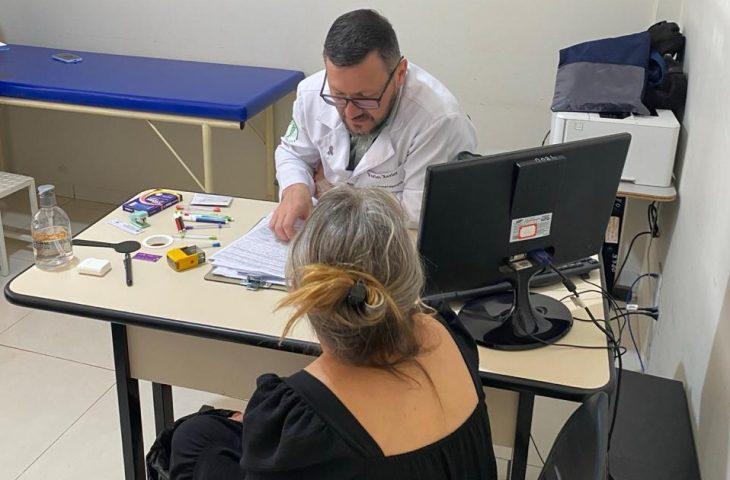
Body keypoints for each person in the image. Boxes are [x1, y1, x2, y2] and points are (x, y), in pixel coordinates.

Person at [170, 186, 497, 479]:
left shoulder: (302, 417)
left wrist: (264, 429)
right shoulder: (445, 330)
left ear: (304, 291)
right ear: (410, 274)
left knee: (194, 439)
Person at [270, 9, 477, 240]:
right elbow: (292, 152)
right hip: (331, 235)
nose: (350, 112)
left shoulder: (436, 119)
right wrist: (296, 186)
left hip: (395, 245)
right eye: (338, 95)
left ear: (400, 74)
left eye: (365, 97)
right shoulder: (311, 92)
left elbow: (415, 214)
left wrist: (331, 195)